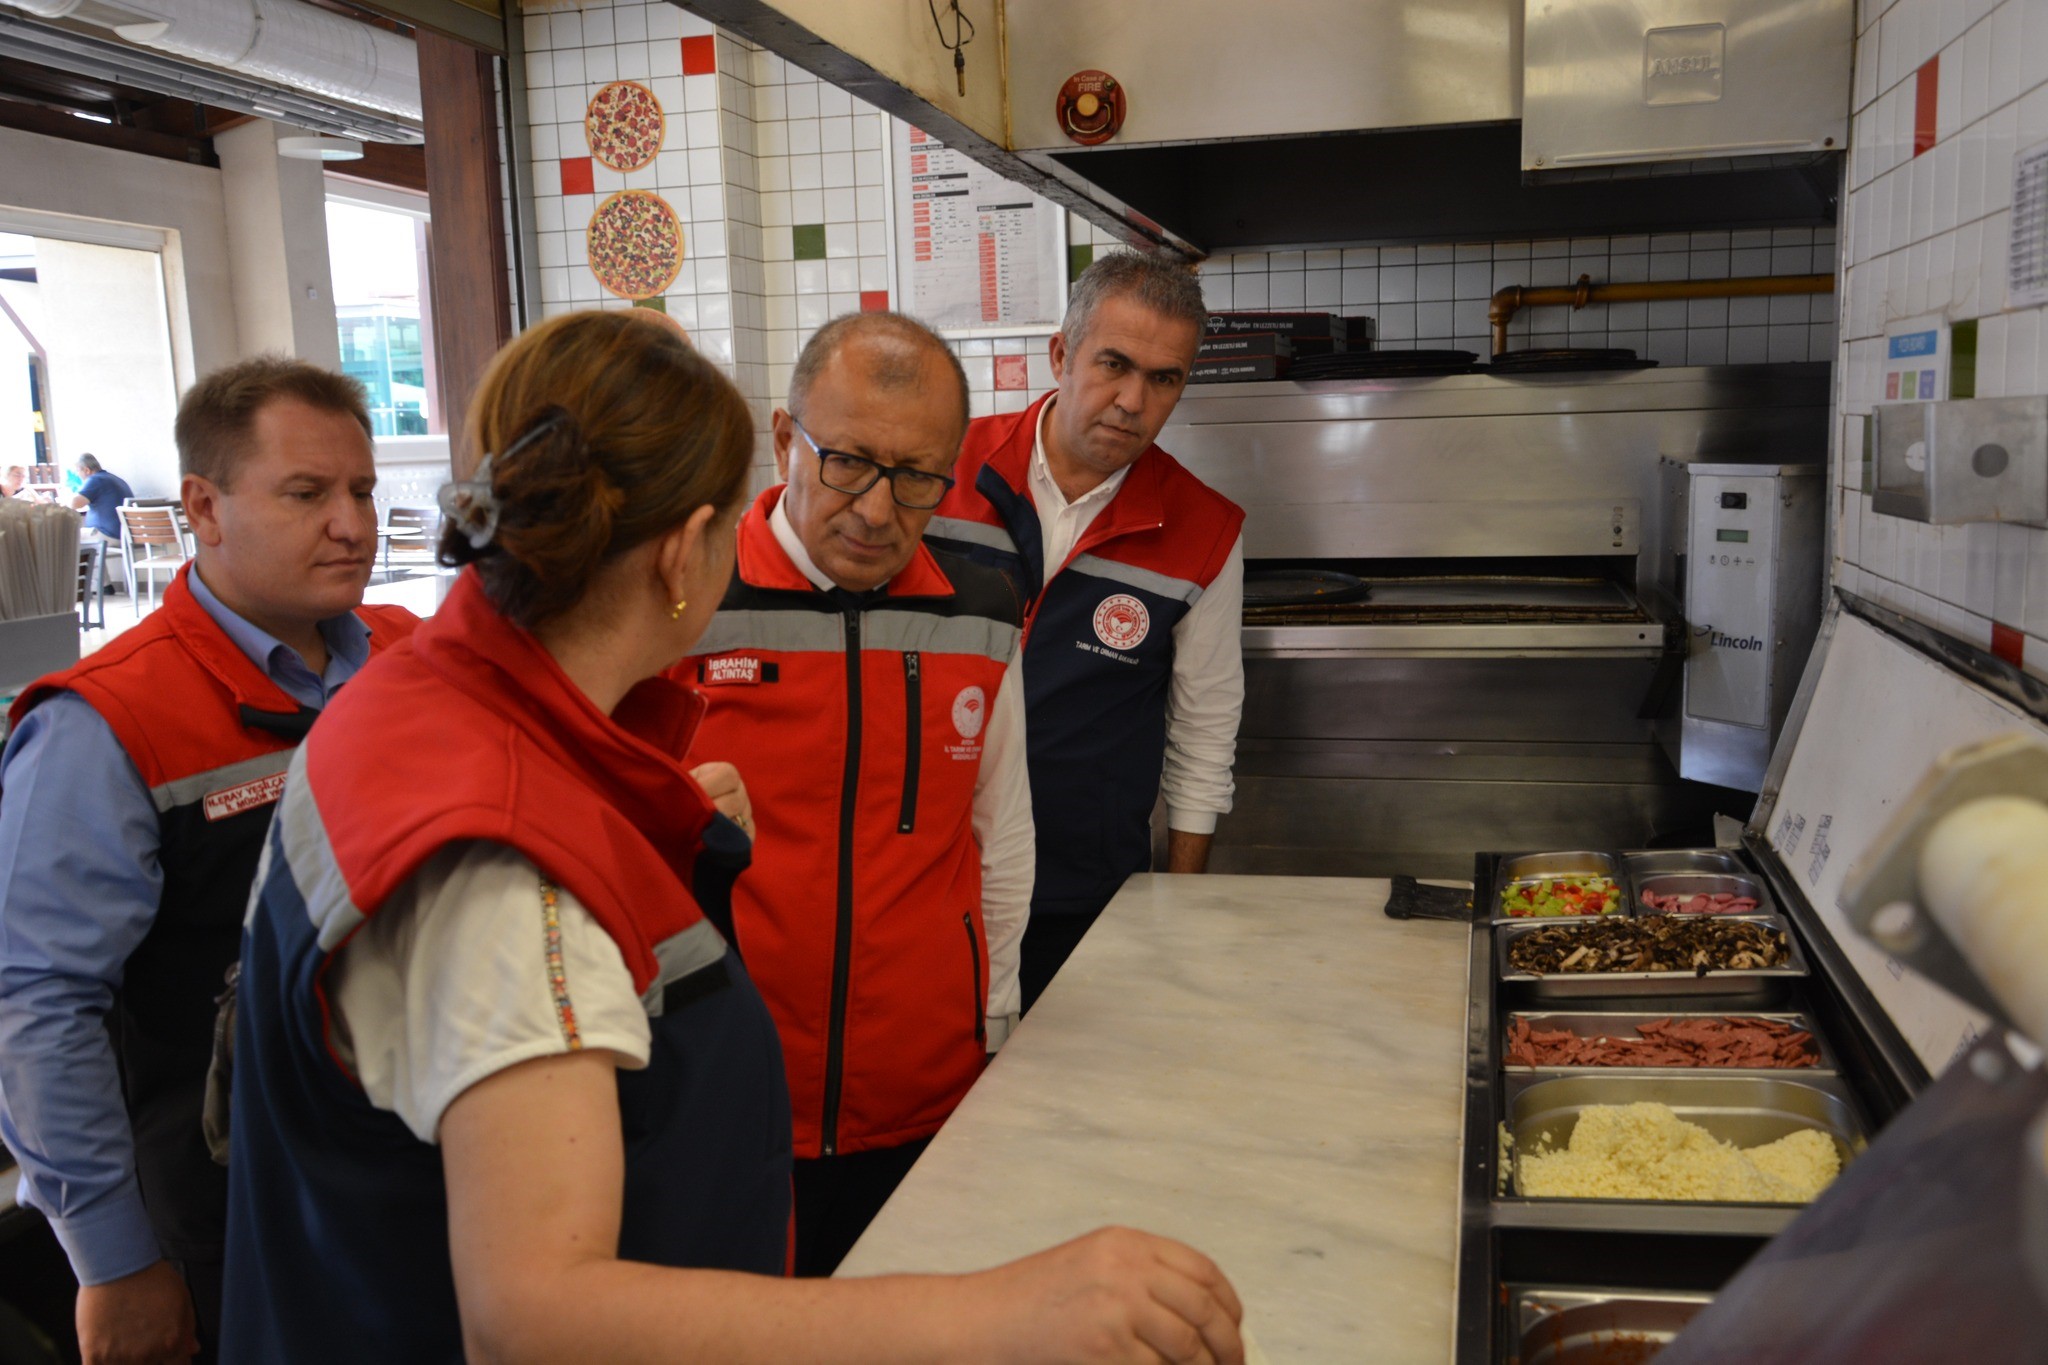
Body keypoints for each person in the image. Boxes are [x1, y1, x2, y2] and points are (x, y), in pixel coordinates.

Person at [222, 308, 1243, 1365]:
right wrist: (1001, 1315)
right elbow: (532, 1316)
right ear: (683, 554)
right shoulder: (504, 856)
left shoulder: (399, 705)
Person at [0, 358, 419, 1365]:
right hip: (230, 1214)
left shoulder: (413, 663)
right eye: (307, 493)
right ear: (205, 506)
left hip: (417, 1175)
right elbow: (40, 1009)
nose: (352, 524)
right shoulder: (105, 726)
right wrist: (112, 1261)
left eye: (360, 490)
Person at [675, 313, 1031, 1276]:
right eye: (849, 463)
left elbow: (1003, 832)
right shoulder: (684, 595)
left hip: (926, 1092)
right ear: (786, 440)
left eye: (918, 476)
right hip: (729, 1095)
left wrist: (991, 1021)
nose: (878, 509)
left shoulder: (982, 610)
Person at [928, 252, 1246, 1009]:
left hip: (1084, 893)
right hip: (931, 875)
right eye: (1113, 364)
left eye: (1164, 378)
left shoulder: (1205, 529)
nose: (1133, 400)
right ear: (1062, 354)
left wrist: (1179, 907)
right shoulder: (941, 471)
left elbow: (1205, 730)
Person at [69, 453, 134, 540]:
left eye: (77, 471)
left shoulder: (95, 480)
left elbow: (74, 504)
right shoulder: (115, 479)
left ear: (86, 470)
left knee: (68, 535)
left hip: (109, 535)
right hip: (128, 535)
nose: (77, 475)